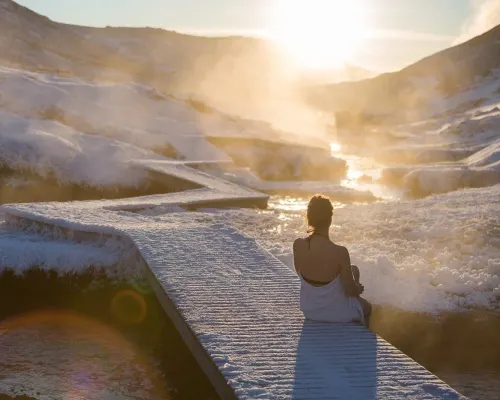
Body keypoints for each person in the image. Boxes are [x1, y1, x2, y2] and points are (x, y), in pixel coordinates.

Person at [293, 195, 372, 327]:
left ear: (309, 218)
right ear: (330, 219)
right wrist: (357, 287)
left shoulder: (298, 245)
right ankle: (362, 335)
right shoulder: (340, 252)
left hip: (310, 311)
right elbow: (350, 291)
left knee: (353, 269)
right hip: (336, 313)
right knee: (368, 308)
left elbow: (303, 275)